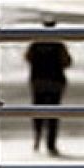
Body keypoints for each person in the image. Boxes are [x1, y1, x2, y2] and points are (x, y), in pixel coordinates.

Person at [26, 19, 71, 156]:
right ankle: (51, 145)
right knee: (53, 114)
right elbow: (67, 62)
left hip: (38, 82)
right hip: (55, 83)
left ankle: (37, 138)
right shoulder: (59, 45)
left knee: (38, 111)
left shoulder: (35, 44)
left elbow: (27, 58)